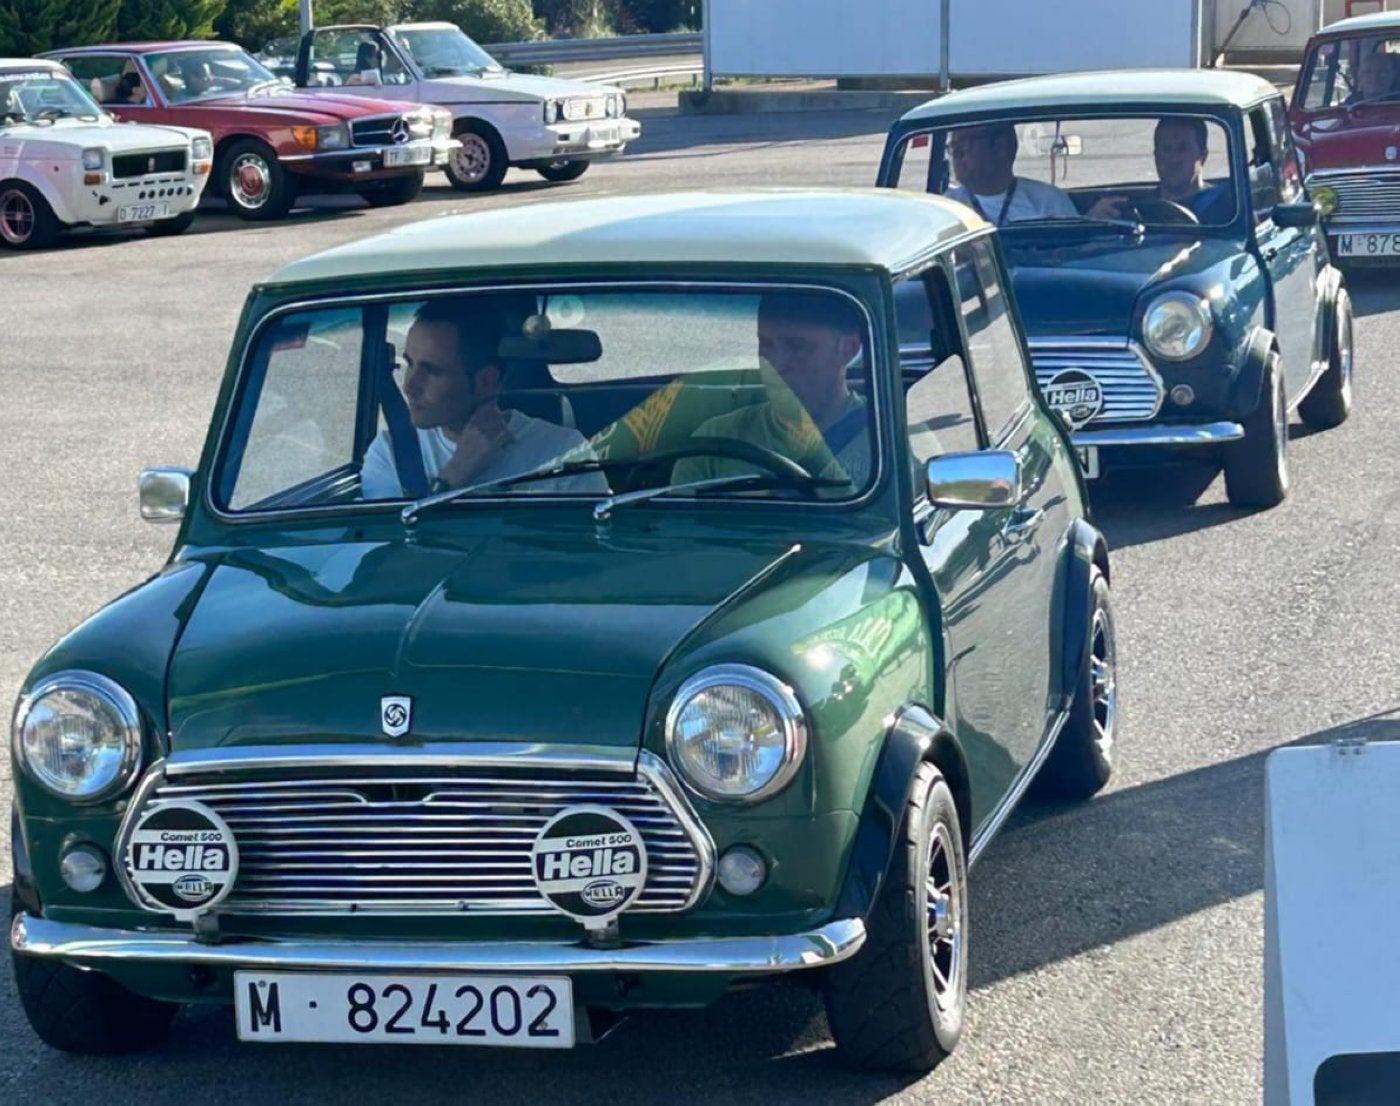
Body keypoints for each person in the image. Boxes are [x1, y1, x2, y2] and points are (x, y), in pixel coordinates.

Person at [359, 297, 607, 500]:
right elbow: (390, 556)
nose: (409, 386)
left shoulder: (563, 454)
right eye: (409, 364)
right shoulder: (391, 453)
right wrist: (455, 475)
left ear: (486, 381)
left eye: (432, 371)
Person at [670, 292, 872, 490]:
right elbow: (679, 521)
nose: (777, 362)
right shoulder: (715, 438)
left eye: (797, 346)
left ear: (849, 348)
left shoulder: (883, 439)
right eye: (765, 345)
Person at [1092, 118, 1233, 224]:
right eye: (1166, 149)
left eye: (1183, 149)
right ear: (1156, 155)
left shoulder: (1228, 208)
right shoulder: (1135, 208)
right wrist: (1093, 222)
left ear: (1202, 155)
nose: (1173, 159)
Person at [945, 123, 1079, 225]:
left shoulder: (1047, 202)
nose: (957, 154)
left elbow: (1075, 254)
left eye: (964, 145)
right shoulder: (945, 208)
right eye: (953, 146)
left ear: (1000, 147)